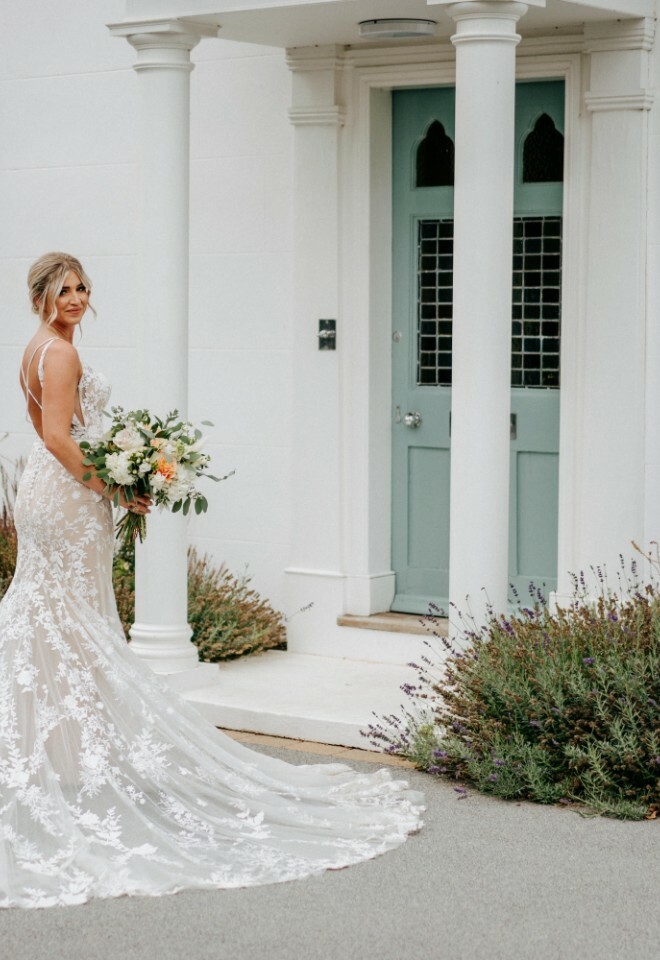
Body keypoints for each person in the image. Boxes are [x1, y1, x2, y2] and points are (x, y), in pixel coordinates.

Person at [0, 252, 424, 909]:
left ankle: (59, 754)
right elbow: (57, 436)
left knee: (53, 616)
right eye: (64, 290)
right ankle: (63, 757)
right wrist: (110, 482)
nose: (77, 298)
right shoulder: (59, 355)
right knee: (72, 621)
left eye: (83, 287)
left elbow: (43, 434)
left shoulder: (36, 348)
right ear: (42, 296)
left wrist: (105, 475)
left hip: (44, 495)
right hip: (66, 495)